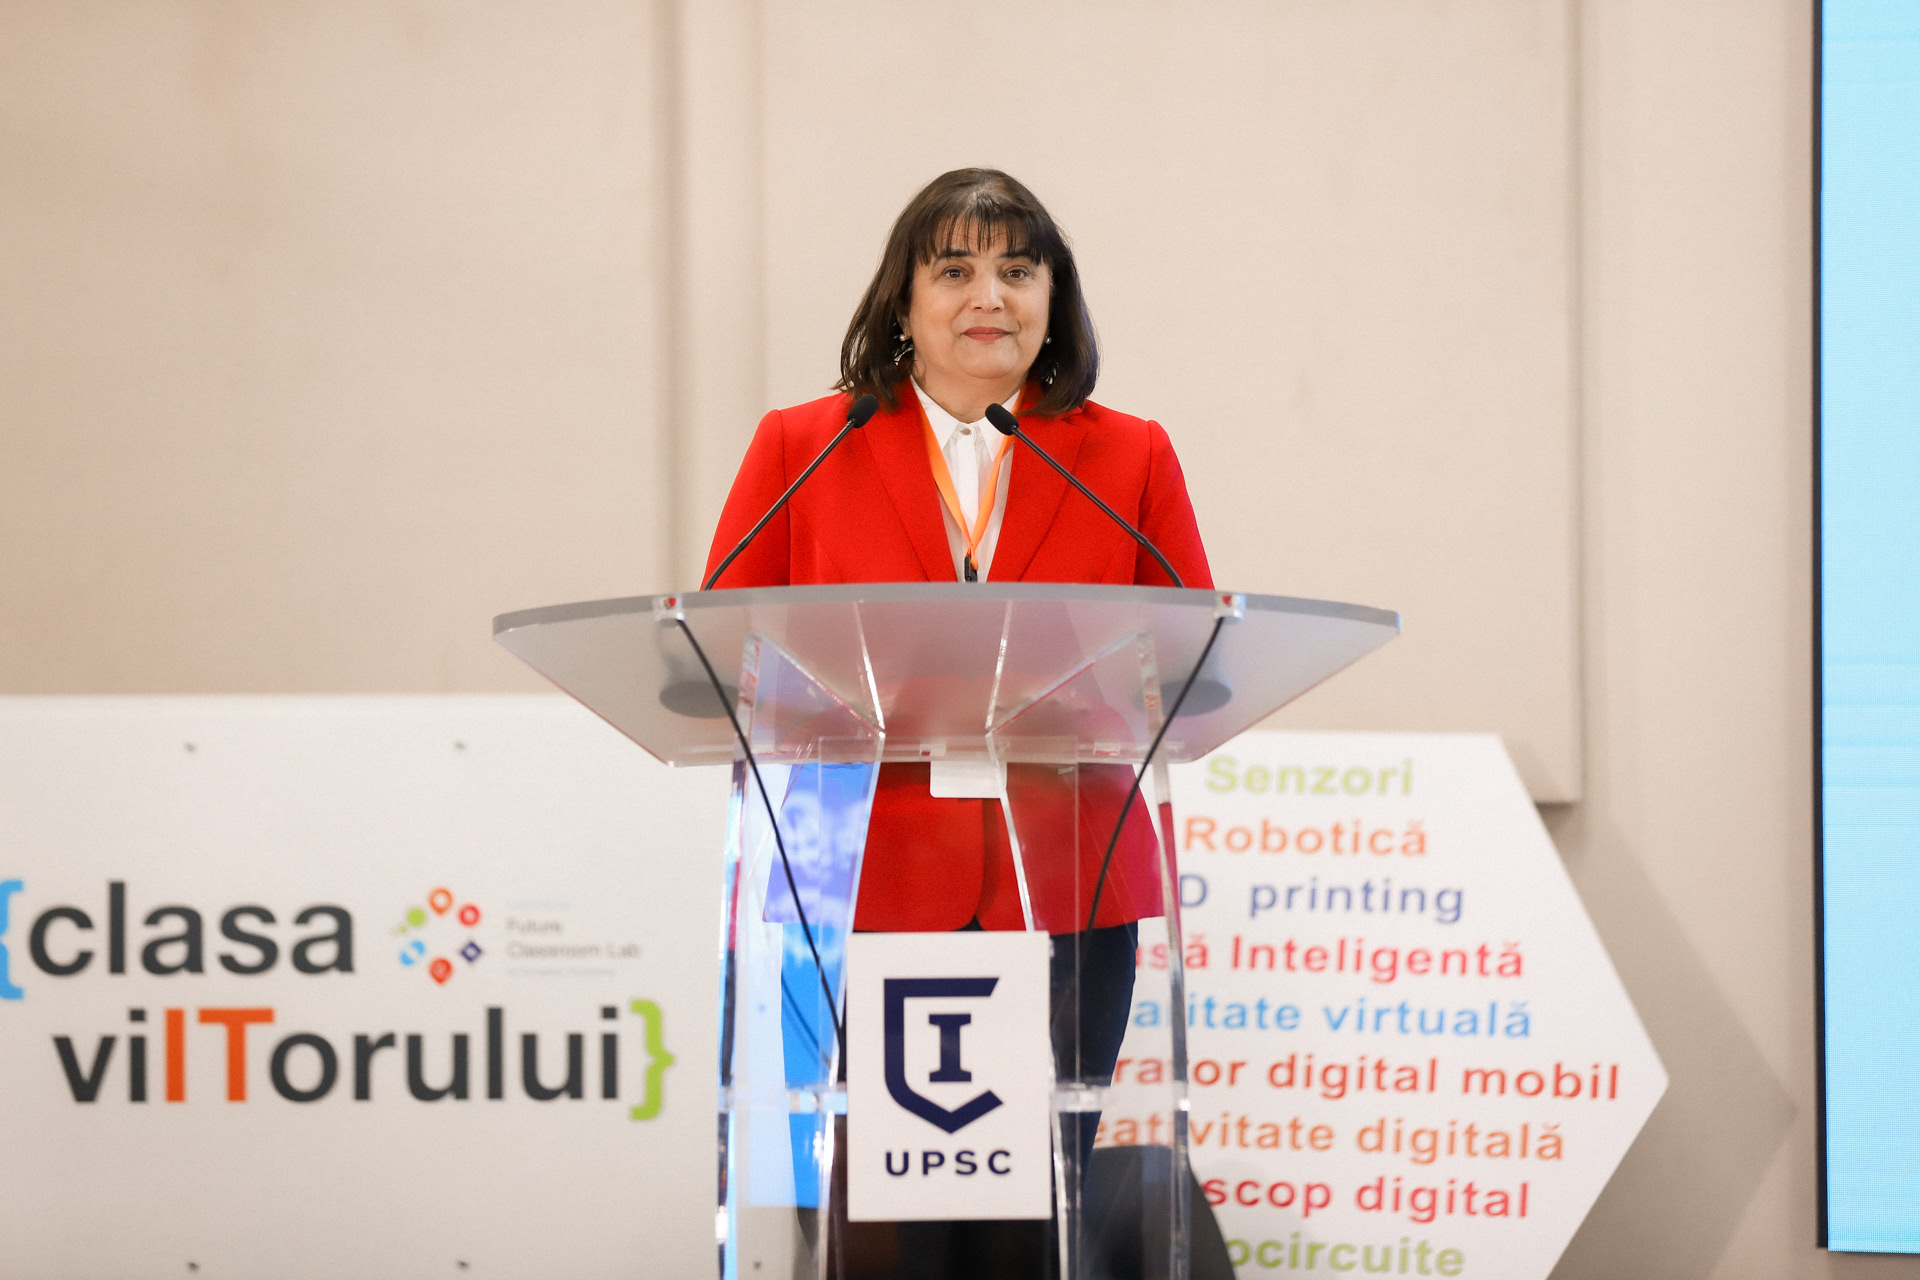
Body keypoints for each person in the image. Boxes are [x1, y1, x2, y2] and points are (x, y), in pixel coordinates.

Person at [704, 168, 1213, 1278]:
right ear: (905, 300)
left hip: (1067, 885)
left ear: (1053, 298)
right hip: (860, 883)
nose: (990, 296)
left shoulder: (1128, 455)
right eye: (955, 270)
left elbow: (1191, 663)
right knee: (881, 1231)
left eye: (1018, 271)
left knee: (1032, 1223)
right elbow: (721, 654)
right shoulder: (806, 446)